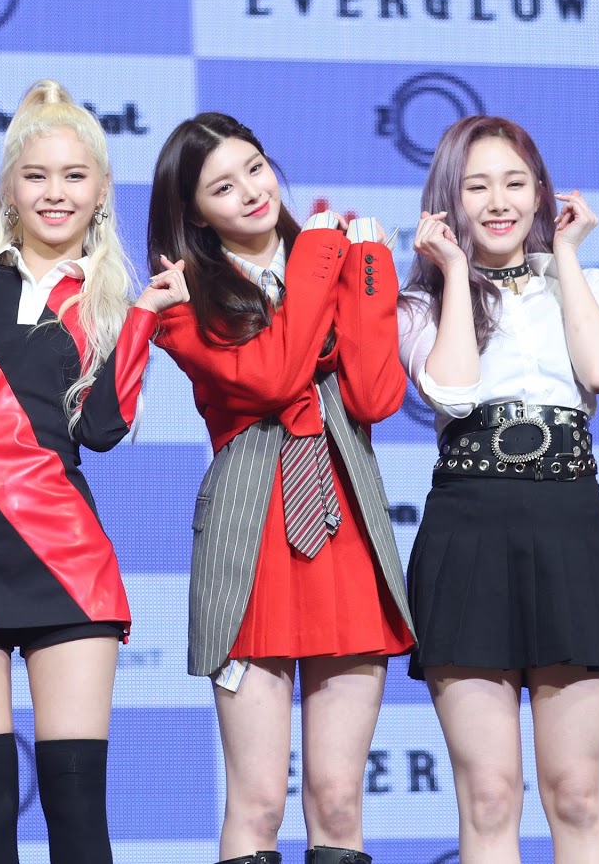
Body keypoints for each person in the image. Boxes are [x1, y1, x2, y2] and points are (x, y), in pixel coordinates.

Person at [0, 79, 187, 864]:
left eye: (74, 176)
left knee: (78, 814)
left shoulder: (111, 298)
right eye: (37, 176)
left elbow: (103, 429)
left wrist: (144, 319)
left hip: (65, 557)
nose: (56, 193)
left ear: (101, 191)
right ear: (10, 189)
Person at [147, 111, 413, 864]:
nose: (251, 192)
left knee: (338, 799)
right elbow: (271, 376)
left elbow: (373, 396)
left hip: (343, 529)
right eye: (222, 188)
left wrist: (369, 267)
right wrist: (325, 259)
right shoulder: (183, 298)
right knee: (258, 801)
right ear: (197, 214)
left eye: (255, 169)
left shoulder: (338, 261)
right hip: (250, 543)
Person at [398, 115, 599, 863]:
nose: (498, 202)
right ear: (449, 199)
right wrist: (452, 273)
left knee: (579, 792)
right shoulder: (422, 302)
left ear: (541, 192)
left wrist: (565, 256)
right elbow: (452, 391)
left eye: (514, 183)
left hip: (570, 526)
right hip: (468, 531)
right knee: (490, 795)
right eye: (477, 186)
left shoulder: (589, 281)